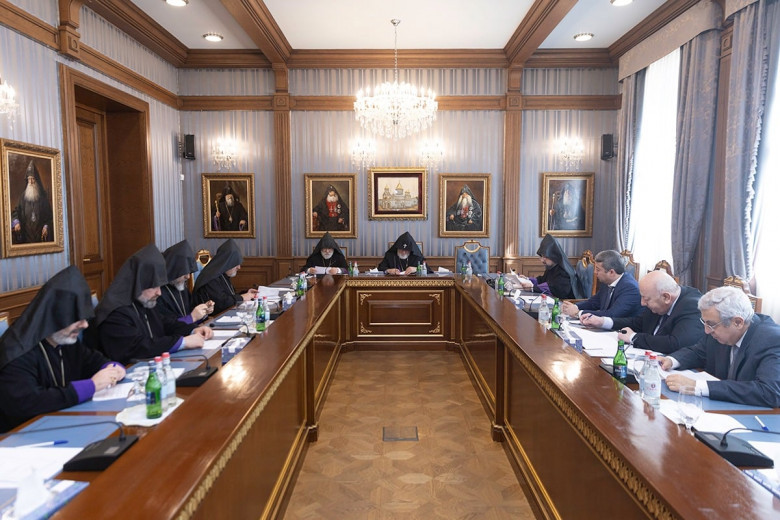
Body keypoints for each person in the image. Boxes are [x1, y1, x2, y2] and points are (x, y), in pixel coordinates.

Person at [0, 266, 126, 432]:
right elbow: (29, 402)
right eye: (78, 319)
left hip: (60, 423)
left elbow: (94, 360)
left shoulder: (64, 341)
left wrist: (113, 368)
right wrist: (91, 386)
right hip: (20, 434)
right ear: (56, 316)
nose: (85, 325)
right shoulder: (17, 350)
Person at [661, 286, 780, 408]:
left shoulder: (772, 340)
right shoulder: (719, 329)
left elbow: (770, 392)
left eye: (711, 324)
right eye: (704, 322)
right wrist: (671, 361)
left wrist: (696, 386)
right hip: (723, 408)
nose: (706, 331)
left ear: (738, 322)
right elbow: (699, 352)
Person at [95, 244, 213, 365]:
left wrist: (193, 330)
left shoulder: (143, 301)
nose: (159, 292)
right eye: (154, 286)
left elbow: (166, 324)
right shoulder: (115, 312)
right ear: (138, 283)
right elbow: (138, 347)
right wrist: (183, 342)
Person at [579, 270, 704, 354]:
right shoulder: (656, 299)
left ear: (666, 297)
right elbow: (638, 322)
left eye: (646, 299)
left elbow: (676, 343)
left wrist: (633, 337)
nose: (642, 303)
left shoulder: (693, 306)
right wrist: (602, 322)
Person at [561, 250, 642, 319]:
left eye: (598, 269)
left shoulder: (630, 288)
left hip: (624, 330)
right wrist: (575, 307)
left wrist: (578, 313)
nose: (595, 272)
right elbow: (594, 302)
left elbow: (612, 315)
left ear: (611, 272)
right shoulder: (607, 282)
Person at [157, 240, 214, 329]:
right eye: (184, 272)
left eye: (189, 272)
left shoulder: (181, 287)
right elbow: (166, 325)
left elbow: (192, 315)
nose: (188, 277)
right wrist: (192, 317)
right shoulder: (158, 293)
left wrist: (204, 311)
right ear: (173, 270)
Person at [192, 239, 258, 314]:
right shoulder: (211, 278)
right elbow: (221, 304)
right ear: (227, 263)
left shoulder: (222, 274)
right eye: (236, 264)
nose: (239, 267)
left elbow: (229, 296)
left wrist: (246, 293)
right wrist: (242, 297)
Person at [518, 234, 580, 299]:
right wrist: (527, 279)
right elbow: (542, 280)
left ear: (553, 256)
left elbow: (556, 290)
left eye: (545, 257)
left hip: (565, 302)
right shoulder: (551, 267)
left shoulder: (563, 272)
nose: (542, 260)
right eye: (541, 256)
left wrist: (532, 288)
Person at [11, 160, 54, 244]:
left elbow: (49, 217)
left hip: (40, 236)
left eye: (33, 179)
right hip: (26, 236)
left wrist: (46, 227)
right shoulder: (23, 197)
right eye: (29, 179)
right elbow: (15, 212)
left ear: (36, 180)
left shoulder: (43, 197)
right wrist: (16, 223)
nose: (30, 182)